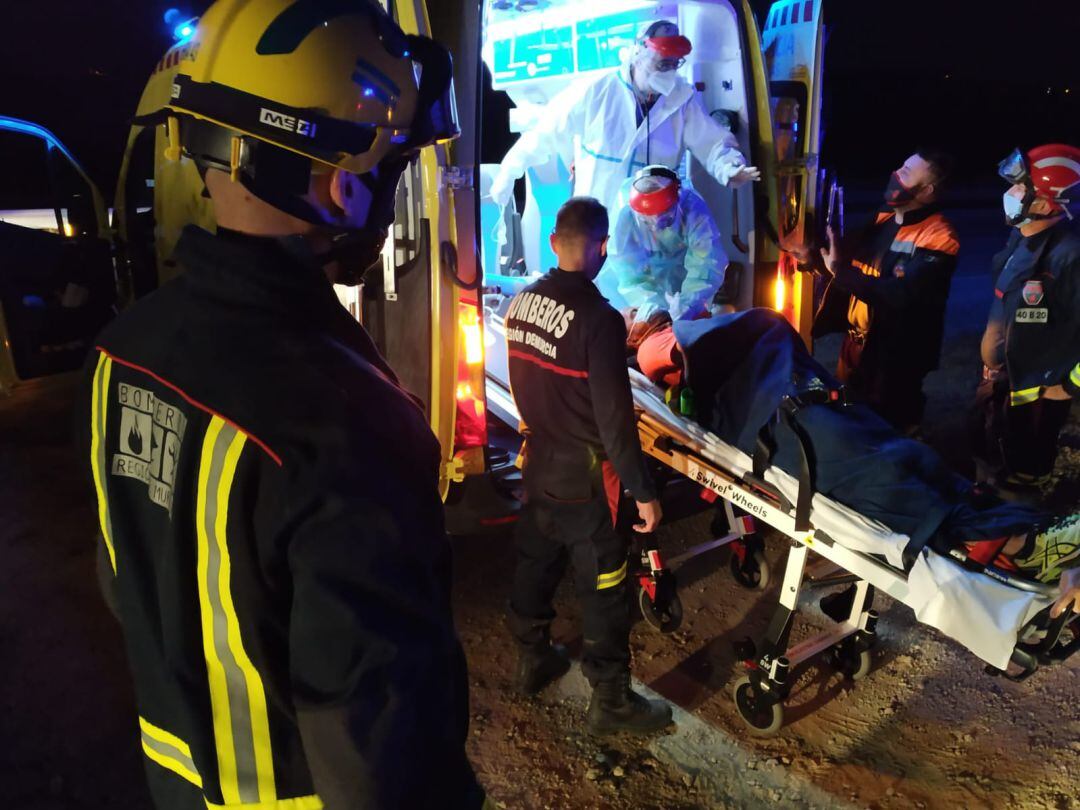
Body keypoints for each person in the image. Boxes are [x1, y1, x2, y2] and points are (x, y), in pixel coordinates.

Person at [81, 2, 484, 808]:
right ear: (340, 182)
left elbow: (125, 584)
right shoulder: (347, 426)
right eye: (389, 167)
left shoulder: (121, 354)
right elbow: (379, 759)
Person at [633, 308, 1080, 616]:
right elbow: (664, 354)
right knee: (891, 478)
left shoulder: (675, 335)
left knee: (913, 458)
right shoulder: (657, 346)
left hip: (804, 407)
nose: (633, 311)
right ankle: (1020, 543)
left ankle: (1030, 530)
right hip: (790, 428)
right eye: (630, 316)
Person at [504, 197, 671, 735]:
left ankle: (533, 656)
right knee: (605, 584)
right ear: (601, 248)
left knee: (536, 558)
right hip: (586, 478)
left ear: (554, 242)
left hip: (538, 462)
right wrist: (644, 490)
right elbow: (615, 423)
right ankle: (610, 699)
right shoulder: (599, 321)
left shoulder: (522, 303)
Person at [489, 20, 760, 220]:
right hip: (596, 224)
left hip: (652, 226)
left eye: (674, 64)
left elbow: (712, 143)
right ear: (637, 52)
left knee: (646, 294)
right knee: (596, 294)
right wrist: (509, 171)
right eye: (661, 63)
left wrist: (729, 167)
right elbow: (545, 131)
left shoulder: (681, 99)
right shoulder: (596, 90)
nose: (669, 71)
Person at [812, 150, 960, 434]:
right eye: (901, 166)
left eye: (906, 173)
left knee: (889, 431)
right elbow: (841, 254)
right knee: (851, 423)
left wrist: (840, 272)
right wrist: (810, 255)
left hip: (897, 358)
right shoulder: (883, 217)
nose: (896, 174)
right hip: (857, 349)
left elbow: (899, 295)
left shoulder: (941, 237)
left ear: (927, 190)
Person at [970, 143, 1080, 496]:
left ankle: (1024, 520)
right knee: (998, 451)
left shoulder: (1069, 256)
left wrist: (1071, 385)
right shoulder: (1022, 238)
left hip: (1041, 393)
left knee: (1026, 472)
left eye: (1020, 187)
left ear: (1046, 204)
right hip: (1008, 380)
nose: (1010, 193)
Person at [605, 164, 728, 323]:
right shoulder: (624, 212)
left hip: (687, 278)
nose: (656, 225)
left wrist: (687, 304)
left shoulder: (692, 208)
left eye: (664, 219)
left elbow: (708, 263)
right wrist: (652, 308)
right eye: (647, 221)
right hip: (648, 282)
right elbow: (628, 272)